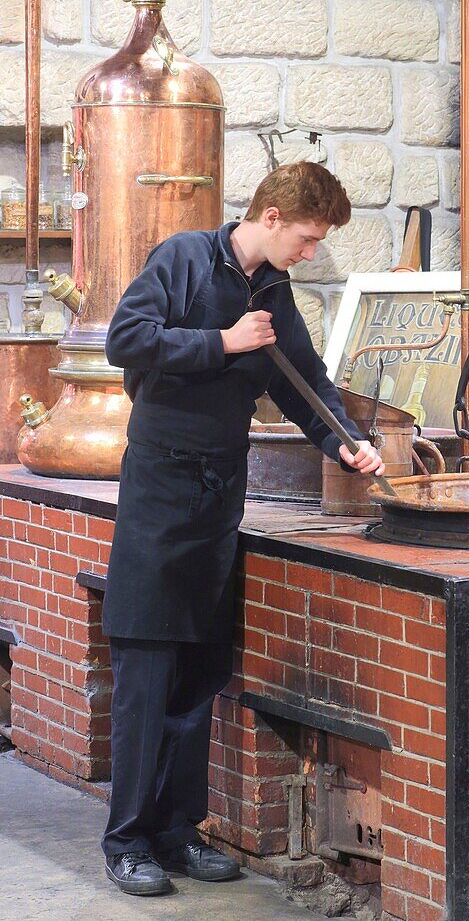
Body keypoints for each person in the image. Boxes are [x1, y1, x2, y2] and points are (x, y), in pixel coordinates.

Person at [101, 162, 385, 896]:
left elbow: (305, 382)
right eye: (306, 236)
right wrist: (221, 343)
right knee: (148, 670)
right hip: (160, 485)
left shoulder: (274, 291)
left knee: (199, 672)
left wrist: (344, 442)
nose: (310, 251)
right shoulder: (183, 259)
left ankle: (174, 832)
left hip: (220, 489)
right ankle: (127, 840)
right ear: (268, 215)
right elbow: (126, 340)